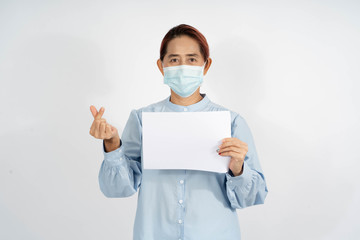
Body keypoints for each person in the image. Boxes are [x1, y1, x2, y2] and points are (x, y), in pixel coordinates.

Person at [89, 24, 268, 240]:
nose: (183, 66)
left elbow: (251, 198)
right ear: (161, 65)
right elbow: (116, 189)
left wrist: (238, 169)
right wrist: (112, 144)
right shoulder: (142, 119)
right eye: (174, 59)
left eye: (192, 59)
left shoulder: (232, 122)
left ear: (206, 64)